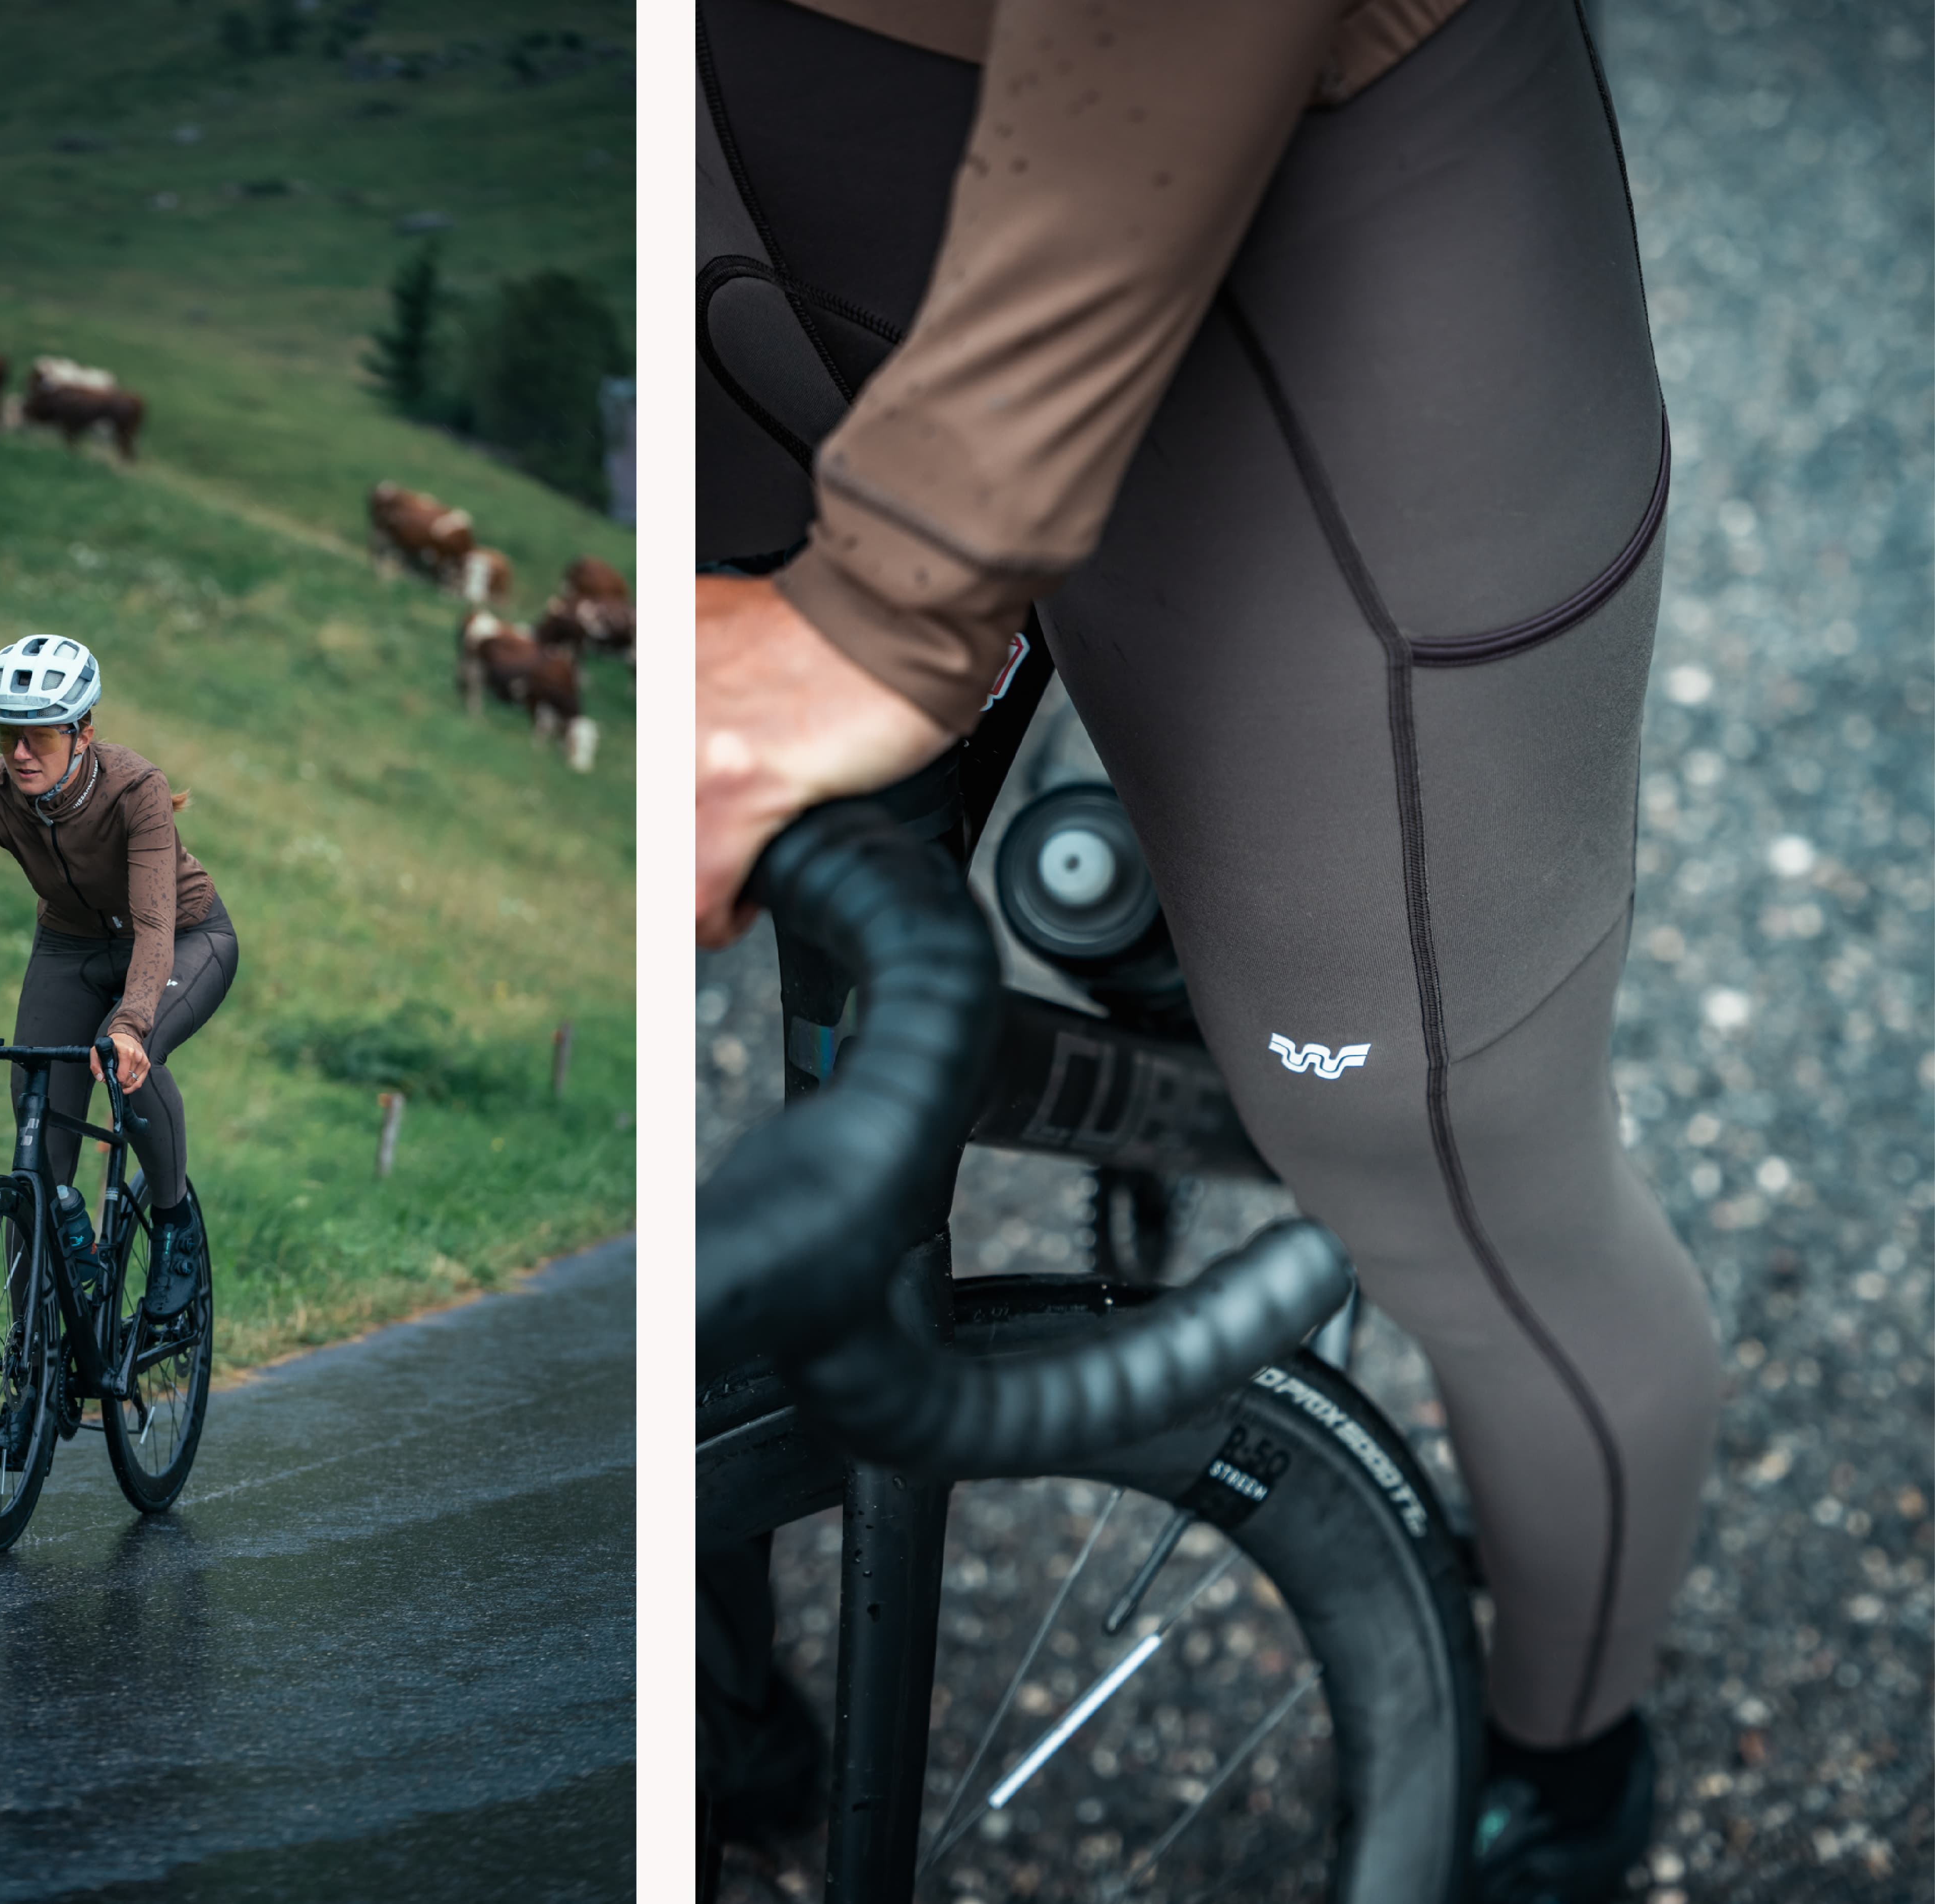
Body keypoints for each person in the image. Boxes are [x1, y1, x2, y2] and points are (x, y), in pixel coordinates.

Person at [693, 1, 1722, 1897]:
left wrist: (903, 580)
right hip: (716, 168)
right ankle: (716, 1698)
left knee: (1475, 1201)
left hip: (1299, 241)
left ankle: (1566, 1769)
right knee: (810, 1035)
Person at [0, 635, 237, 1345]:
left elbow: (155, 925)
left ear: (83, 729)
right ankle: (29, 1371)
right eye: (5, 732)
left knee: (131, 1057)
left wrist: (129, 1022)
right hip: (69, 948)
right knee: (36, 1151)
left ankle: (173, 1219)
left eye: (37, 733)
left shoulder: (136, 788)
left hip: (186, 939)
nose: (20, 752)